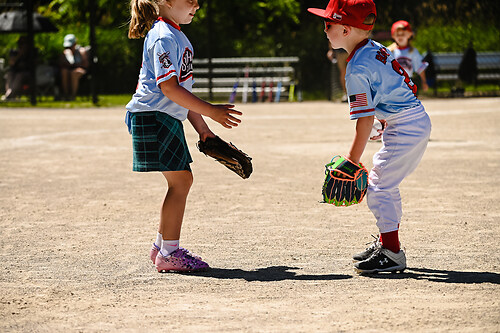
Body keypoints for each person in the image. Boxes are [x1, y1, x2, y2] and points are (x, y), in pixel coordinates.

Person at [308, 0, 432, 273]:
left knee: (378, 187)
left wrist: (352, 159)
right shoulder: (374, 49)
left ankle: (392, 252)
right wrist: (383, 121)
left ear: (346, 29)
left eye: (329, 24)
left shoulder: (356, 68)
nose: (324, 29)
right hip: (408, 121)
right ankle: (388, 242)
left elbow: (364, 119)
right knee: (384, 184)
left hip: (406, 127)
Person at [126, 0, 242, 272]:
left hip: (163, 116)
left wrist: (204, 131)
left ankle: (162, 246)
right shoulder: (163, 36)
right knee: (181, 181)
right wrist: (211, 111)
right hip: (153, 115)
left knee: (180, 180)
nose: (197, 4)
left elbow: (182, 95)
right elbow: (169, 88)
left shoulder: (175, 35)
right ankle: (169, 252)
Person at [388, 20, 429, 92]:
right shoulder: (390, 51)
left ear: (409, 35)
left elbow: (420, 68)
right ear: (393, 36)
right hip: (394, 84)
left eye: (403, 34)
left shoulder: (412, 51)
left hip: (408, 83)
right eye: (398, 34)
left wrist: (424, 82)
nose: (400, 37)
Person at [59, 34, 89, 100]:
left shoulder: (81, 51)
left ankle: (73, 95)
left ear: (75, 44)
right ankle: (66, 94)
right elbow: (61, 65)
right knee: (64, 71)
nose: (69, 48)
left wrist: (76, 65)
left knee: (74, 73)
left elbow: (86, 64)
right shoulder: (65, 52)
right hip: (69, 70)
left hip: (80, 70)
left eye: (70, 46)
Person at [2, 36, 31, 101]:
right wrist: (19, 54)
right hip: (14, 72)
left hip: (25, 74)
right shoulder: (14, 52)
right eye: (20, 43)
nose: (21, 45)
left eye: (23, 43)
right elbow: (11, 63)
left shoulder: (31, 53)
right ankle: (9, 94)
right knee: (9, 74)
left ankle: (9, 95)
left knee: (20, 76)